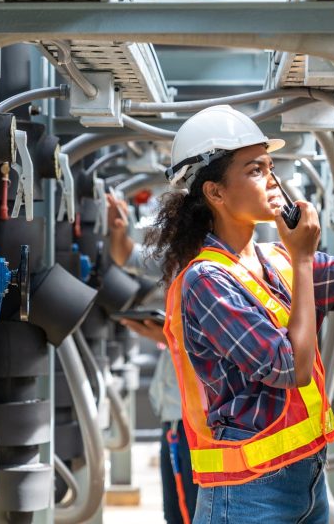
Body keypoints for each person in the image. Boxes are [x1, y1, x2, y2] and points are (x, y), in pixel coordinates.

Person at [146, 105, 334, 524]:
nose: (272, 180)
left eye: (270, 167)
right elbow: (290, 368)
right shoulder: (206, 281)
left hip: (307, 481)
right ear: (215, 193)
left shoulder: (276, 260)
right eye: (255, 170)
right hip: (248, 498)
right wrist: (303, 258)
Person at [106, 193, 198, 524]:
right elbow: (126, 255)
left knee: (188, 513)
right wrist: (118, 231)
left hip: (193, 418)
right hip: (176, 415)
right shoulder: (179, 260)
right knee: (179, 512)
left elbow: (218, 345)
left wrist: (166, 337)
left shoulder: (215, 269)